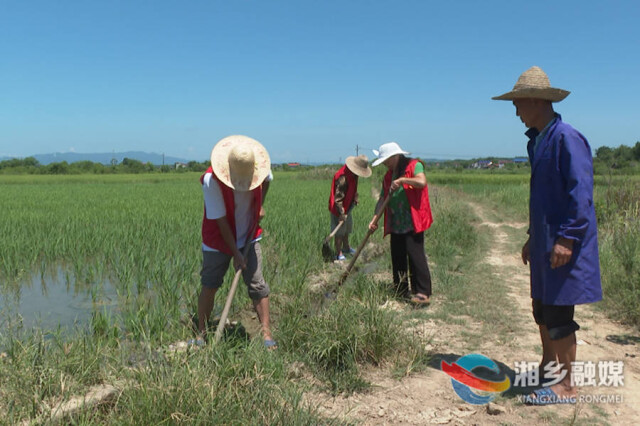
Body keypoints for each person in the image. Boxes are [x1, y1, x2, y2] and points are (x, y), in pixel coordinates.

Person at [493, 66, 602, 404]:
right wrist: (532, 237)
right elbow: (543, 197)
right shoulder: (538, 140)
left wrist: (568, 238)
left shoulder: (567, 138)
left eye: (519, 104)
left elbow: (580, 193)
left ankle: (566, 387)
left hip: (563, 241)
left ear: (537, 101)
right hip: (545, 239)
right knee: (541, 306)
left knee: (558, 313)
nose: (516, 111)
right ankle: (547, 368)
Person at [196, 135, 276, 349]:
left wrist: (260, 206)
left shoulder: (259, 168)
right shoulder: (211, 180)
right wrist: (236, 254)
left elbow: (267, 180)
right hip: (218, 239)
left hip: (250, 231)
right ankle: (201, 333)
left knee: (258, 284)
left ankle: (266, 334)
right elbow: (221, 222)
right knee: (210, 283)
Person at [368, 142, 433, 304]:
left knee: (415, 254)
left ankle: (422, 291)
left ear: (394, 157)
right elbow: (383, 199)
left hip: (413, 219)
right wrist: (375, 219)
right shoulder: (388, 176)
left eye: (385, 160)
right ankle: (401, 289)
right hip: (396, 221)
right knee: (397, 255)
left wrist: (403, 180)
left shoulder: (414, 165)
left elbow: (422, 182)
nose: (384, 164)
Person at [328, 155, 372, 261]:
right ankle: (338, 254)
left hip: (347, 206)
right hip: (338, 208)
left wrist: (354, 197)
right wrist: (341, 214)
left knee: (347, 228)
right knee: (339, 232)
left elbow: (352, 188)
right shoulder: (342, 177)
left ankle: (346, 248)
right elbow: (338, 199)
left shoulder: (354, 174)